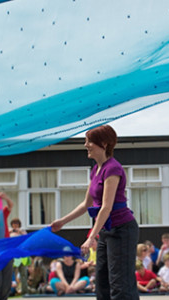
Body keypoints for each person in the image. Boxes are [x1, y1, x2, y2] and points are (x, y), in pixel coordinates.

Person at [50, 125, 140, 300]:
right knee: (102, 282)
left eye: (89, 141)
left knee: (120, 284)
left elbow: (106, 207)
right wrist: (62, 221)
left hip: (122, 230)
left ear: (104, 144)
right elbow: (86, 204)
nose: (85, 145)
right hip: (106, 231)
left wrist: (92, 236)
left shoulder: (113, 168)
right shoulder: (95, 170)